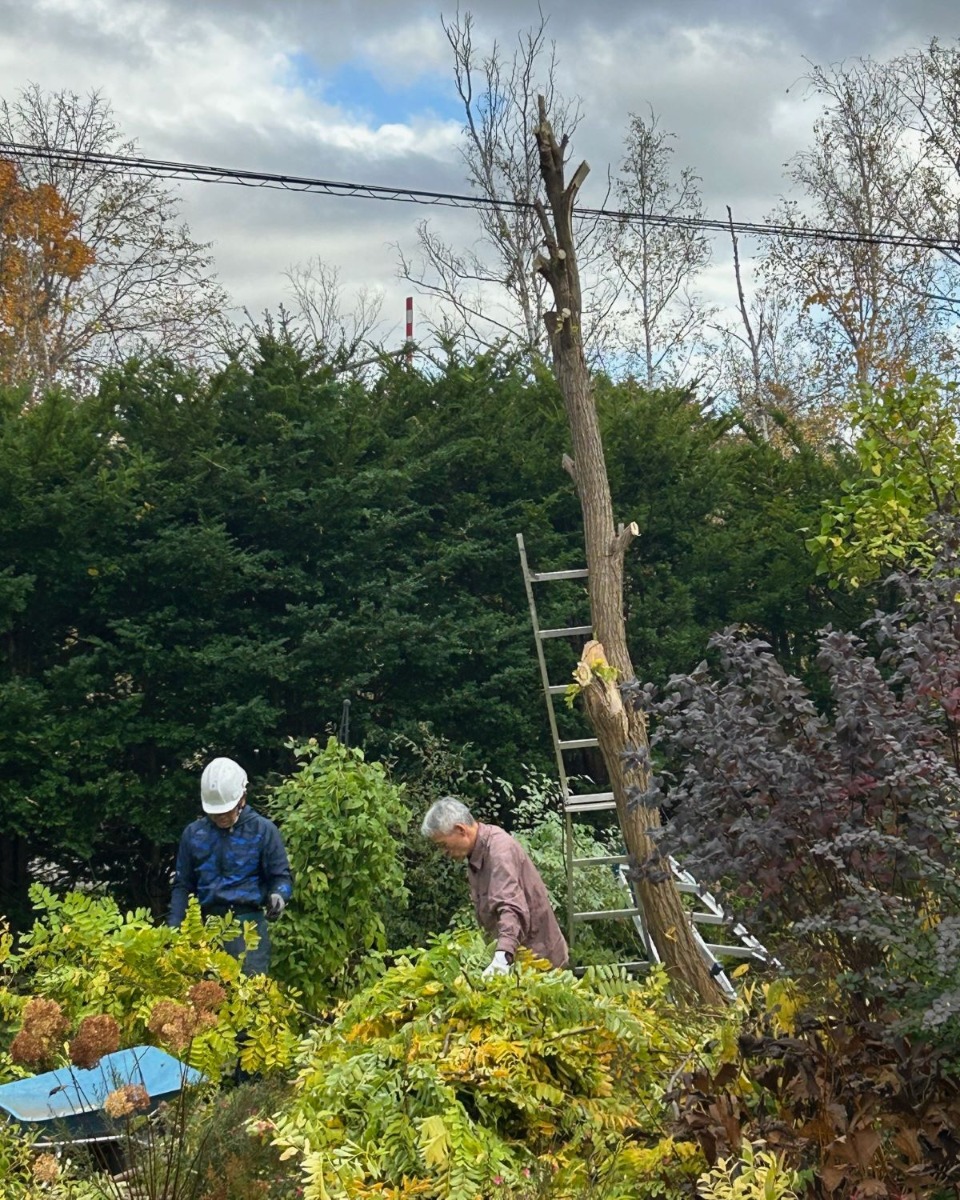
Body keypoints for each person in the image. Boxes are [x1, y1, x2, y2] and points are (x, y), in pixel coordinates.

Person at [168, 756, 293, 976]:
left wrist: (279, 896)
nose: (221, 817)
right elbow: (183, 885)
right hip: (205, 931)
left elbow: (281, 877)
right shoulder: (194, 834)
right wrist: (175, 928)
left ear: (242, 798)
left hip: (248, 931)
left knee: (250, 1001)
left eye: (226, 811)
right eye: (215, 813)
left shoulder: (263, 831)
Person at [422, 796, 568, 976]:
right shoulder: (477, 852)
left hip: (540, 962)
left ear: (461, 830)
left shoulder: (499, 852)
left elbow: (510, 907)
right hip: (522, 957)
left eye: (443, 845)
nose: (443, 852)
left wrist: (502, 956)